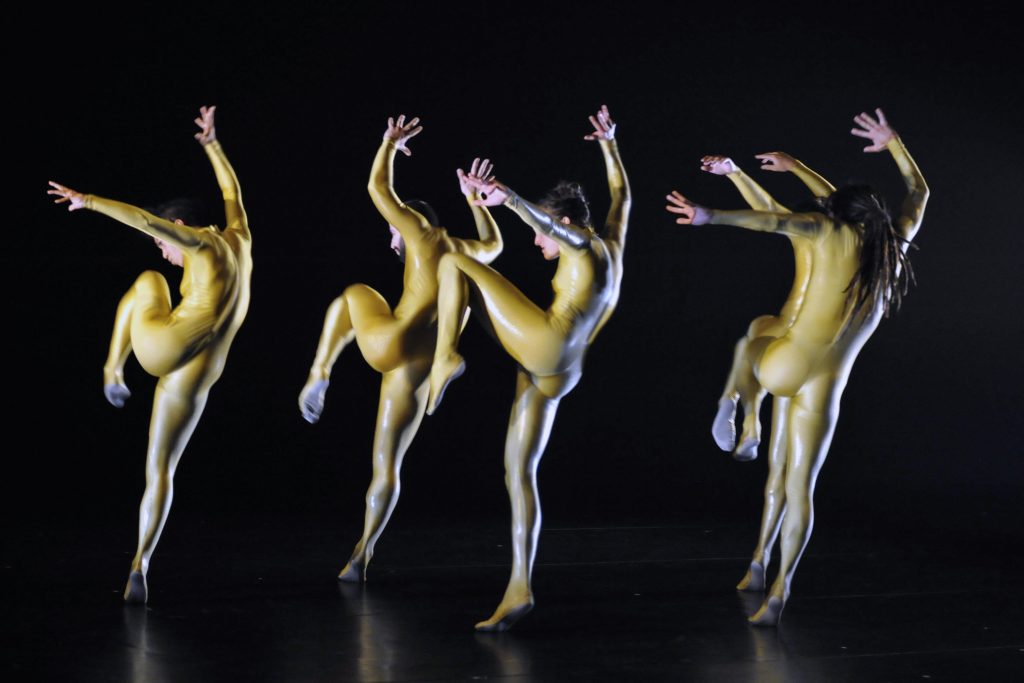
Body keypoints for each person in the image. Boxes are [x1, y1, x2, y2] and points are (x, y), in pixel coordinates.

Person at [666, 108, 927, 625]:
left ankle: (737, 406)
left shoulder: (823, 231)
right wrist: (892, 145)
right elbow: (918, 191)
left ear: (839, 213)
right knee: (798, 487)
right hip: (826, 388)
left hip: (784, 367)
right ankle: (779, 587)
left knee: (757, 332)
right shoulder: (894, 241)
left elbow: (773, 219)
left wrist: (709, 215)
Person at [426, 105, 630, 631]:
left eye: (545, 234)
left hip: (548, 346)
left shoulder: (584, 246)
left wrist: (509, 199)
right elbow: (623, 196)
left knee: (453, 262)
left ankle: (446, 356)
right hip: (562, 372)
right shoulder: (613, 242)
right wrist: (610, 145)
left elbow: (553, 229)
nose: (538, 243)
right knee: (518, 470)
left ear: (565, 225)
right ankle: (520, 588)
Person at [47, 106, 253, 603]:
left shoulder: (198, 244)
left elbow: (142, 220)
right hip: (200, 375)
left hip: (165, 350)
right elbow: (232, 193)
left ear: (176, 226)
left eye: (164, 241)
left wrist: (87, 201)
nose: (163, 249)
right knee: (162, 471)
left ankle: (112, 369)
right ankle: (141, 561)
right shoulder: (241, 239)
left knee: (149, 282)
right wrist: (212, 145)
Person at [297, 115, 503, 582]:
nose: (392, 240)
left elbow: (378, 188)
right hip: (419, 369)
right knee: (388, 466)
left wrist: (388, 145)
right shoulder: (466, 251)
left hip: (391, 343)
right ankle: (362, 555)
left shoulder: (421, 232)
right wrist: (476, 201)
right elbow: (495, 242)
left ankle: (319, 373)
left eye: (394, 231)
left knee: (355, 294)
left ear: (409, 222)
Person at [700, 152, 835, 461]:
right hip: (820, 340)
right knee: (755, 343)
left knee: (752, 338)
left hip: (789, 324)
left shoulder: (809, 233)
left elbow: (769, 209)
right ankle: (743, 416)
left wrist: (735, 173)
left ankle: (741, 409)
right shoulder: (852, 242)